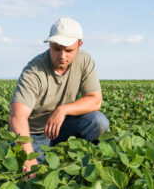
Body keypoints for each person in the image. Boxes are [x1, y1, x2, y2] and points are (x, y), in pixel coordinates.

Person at [9, 17, 109, 174]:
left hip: (62, 127)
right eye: (56, 48)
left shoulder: (84, 61)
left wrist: (62, 110)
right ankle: (50, 158)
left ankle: (82, 162)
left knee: (98, 121)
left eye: (69, 50)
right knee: (31, 173)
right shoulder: (34, 70)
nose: (62, 56)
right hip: (34, 135)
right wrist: (28, 156)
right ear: (49, 44)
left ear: (79, 45)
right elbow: (17, 116)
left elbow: (95, 101)